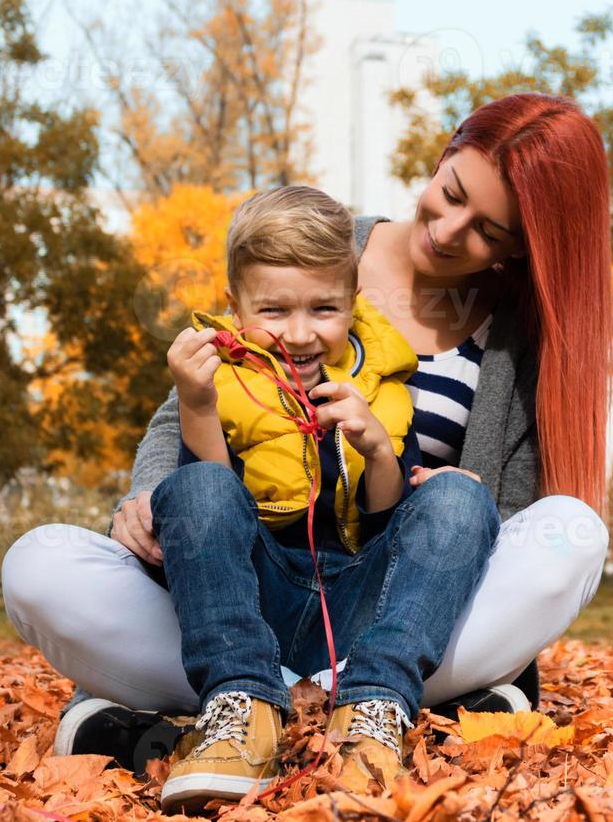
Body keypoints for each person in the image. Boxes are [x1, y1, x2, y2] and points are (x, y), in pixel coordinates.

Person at [1, 92, 613, 797]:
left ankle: (244, 709)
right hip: (247, 579)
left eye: (486, 231)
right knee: (38, 566)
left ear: (520, 248)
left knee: (576, 532)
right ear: (443, 159)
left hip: (394, 601)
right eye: (448, 194)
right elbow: (193, 410)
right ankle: (311, 696)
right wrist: (146, 496)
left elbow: (506, 520)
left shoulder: (517, 338)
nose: (446, 230)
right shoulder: (312, 243)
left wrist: (466, 500)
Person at [158, 185, 474, 809]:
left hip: (361, 603)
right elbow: (209, 504)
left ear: (353, 304)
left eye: (323, 310)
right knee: (193, 488)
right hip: (254, 597)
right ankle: (241, 701)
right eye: (272, 312)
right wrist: (197, 403)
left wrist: (378, 447)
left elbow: (388, 519)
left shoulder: (382, 381)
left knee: (461, 499)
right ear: (236, 305)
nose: (298, 335)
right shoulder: (222, 378)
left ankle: (373, 706)